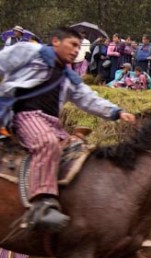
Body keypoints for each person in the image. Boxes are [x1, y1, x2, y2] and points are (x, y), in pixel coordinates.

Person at [0, 27, 135, 233]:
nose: (75, 51)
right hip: (24, 115)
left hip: (52, 123)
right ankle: (41, 204)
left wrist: (116, 112)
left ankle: (74, 208)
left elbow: (88, 99)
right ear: (55, 41)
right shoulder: (30, 51)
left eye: (78, 47)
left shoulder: (69, 77)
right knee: (47, 143)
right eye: (72, 45)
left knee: (78, 152)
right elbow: (2, 61)